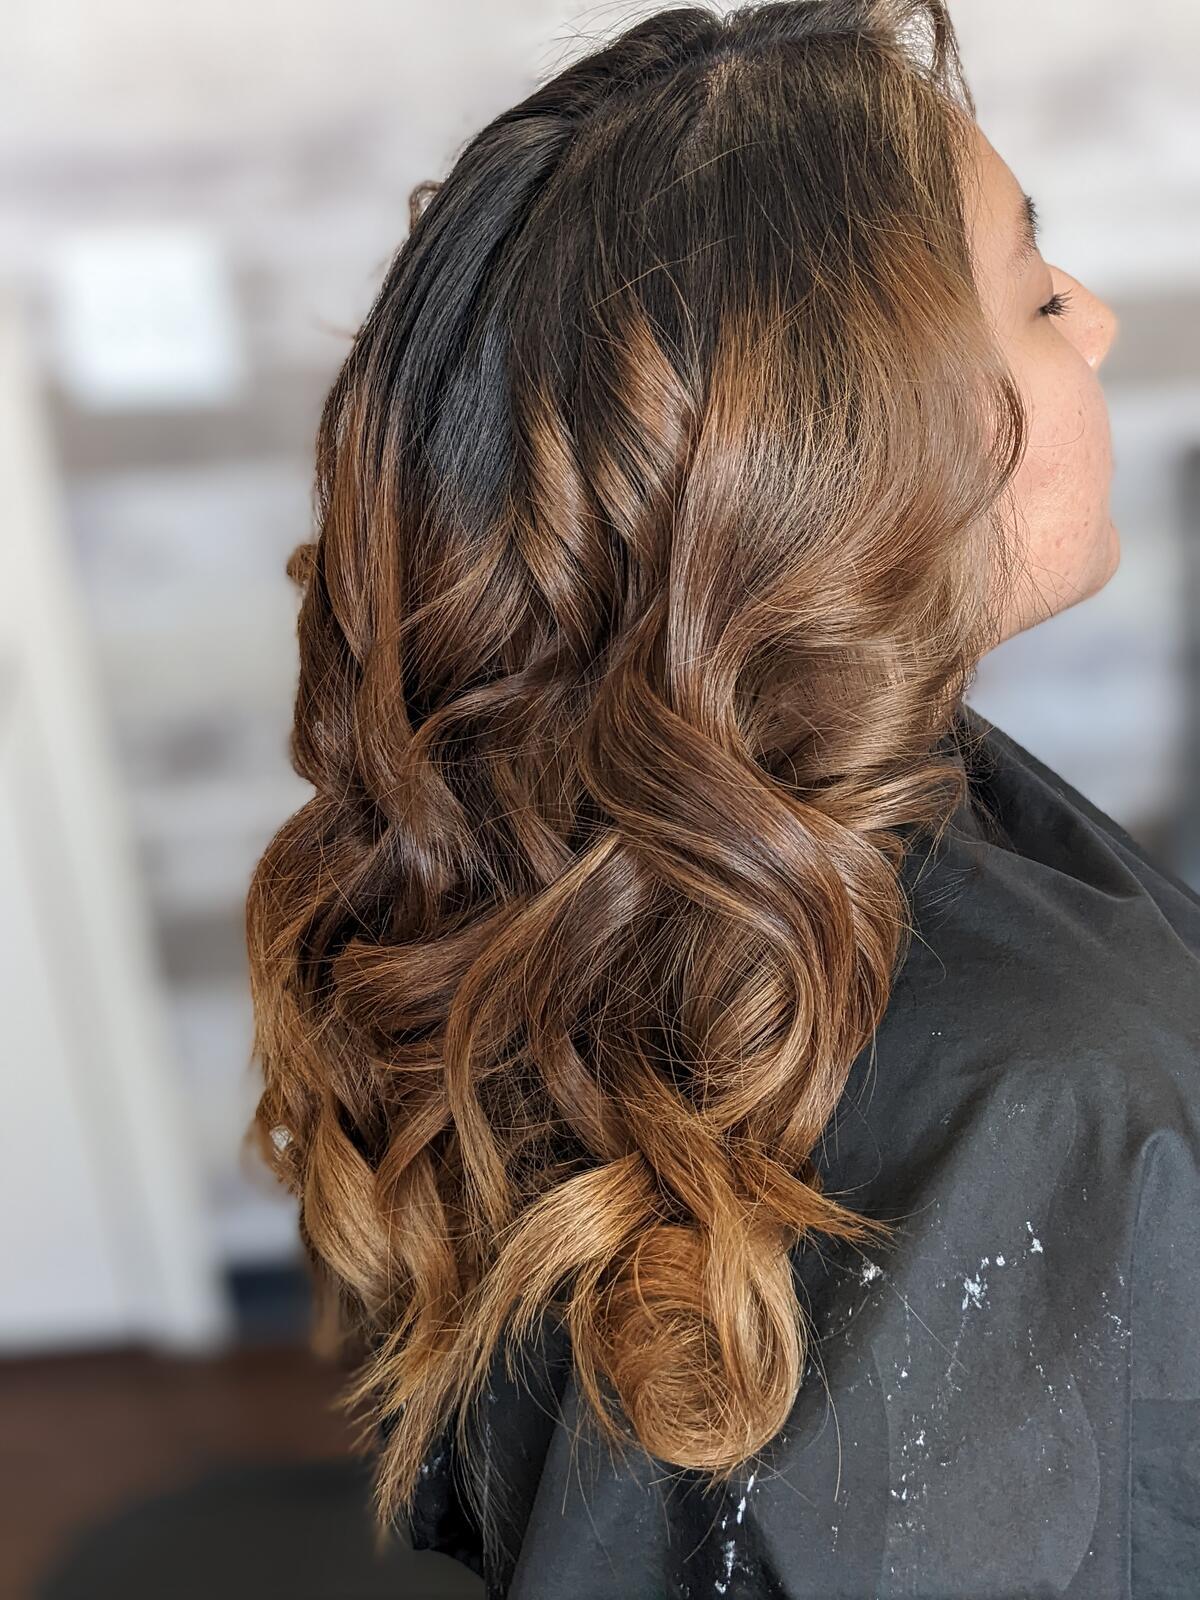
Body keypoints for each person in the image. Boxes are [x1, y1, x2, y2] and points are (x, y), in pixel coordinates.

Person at [243, 3, 1200, 1595]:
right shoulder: (1060, 1094)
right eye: (1037, 296)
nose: (1091, 321)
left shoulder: (548, 862)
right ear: (853, 455)